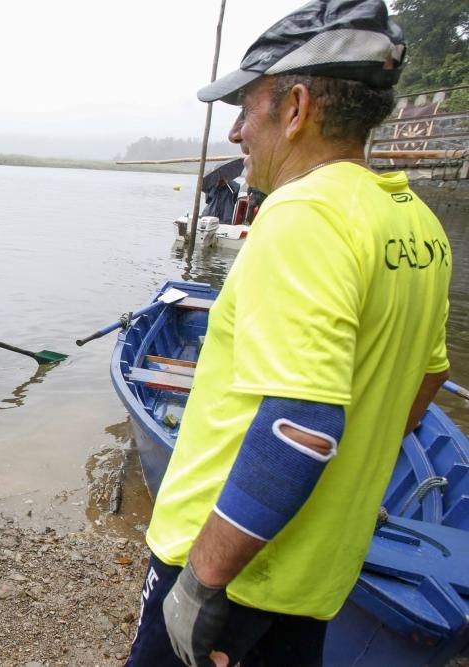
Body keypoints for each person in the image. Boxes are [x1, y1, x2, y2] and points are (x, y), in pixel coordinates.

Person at [127, 2, 451, 666]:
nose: (239, 131)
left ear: (296, 107)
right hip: (318, 572)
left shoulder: (303, 213)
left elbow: (300, 425)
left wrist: (203, 580)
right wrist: (360, 484)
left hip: (231, 566)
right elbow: (430, 374)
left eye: (248, 108)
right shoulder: (415, 220)